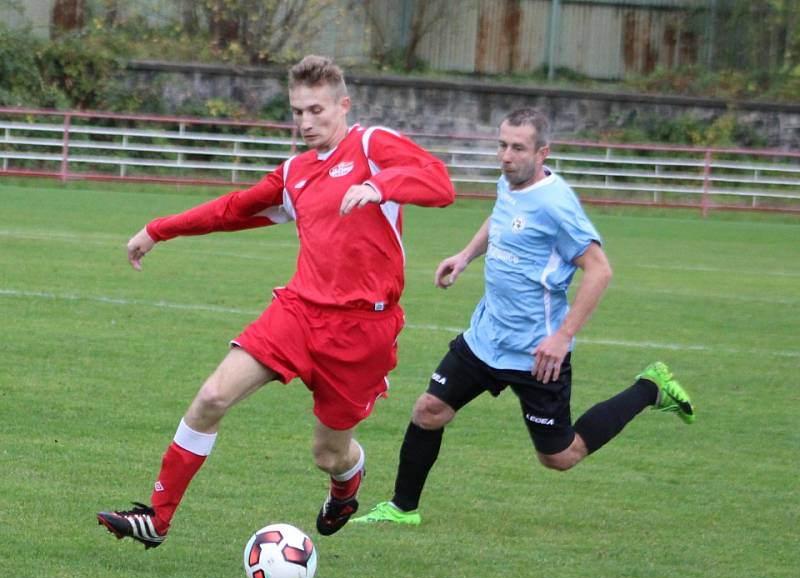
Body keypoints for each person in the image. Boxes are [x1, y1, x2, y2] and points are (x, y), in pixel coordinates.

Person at [96, 55, 455, 548]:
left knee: (329, 453)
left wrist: (379, 185)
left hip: (362, 331)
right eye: (296, 112)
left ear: (343, 105)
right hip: (298, 312)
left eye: (316, 110)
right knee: (211, 397)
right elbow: (231, 210)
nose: (305, 123)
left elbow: (440, 184)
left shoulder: (371, 146)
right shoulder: (295, 173)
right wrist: (158, 230)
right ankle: (156, 520)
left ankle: (347, 481)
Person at [353, 108, 695, 526]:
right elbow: (500, 217)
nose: (506, 156)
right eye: (502, 145)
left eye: (518, 148)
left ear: (542, 153)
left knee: (560, 456)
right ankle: (402, 508)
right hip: (486, 338)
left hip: (536, 352)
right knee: (429, 410)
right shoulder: (509, 181)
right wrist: (464, 256)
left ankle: (650, 387)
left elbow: (600, 270)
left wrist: (562, 338)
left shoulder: (557, 206)